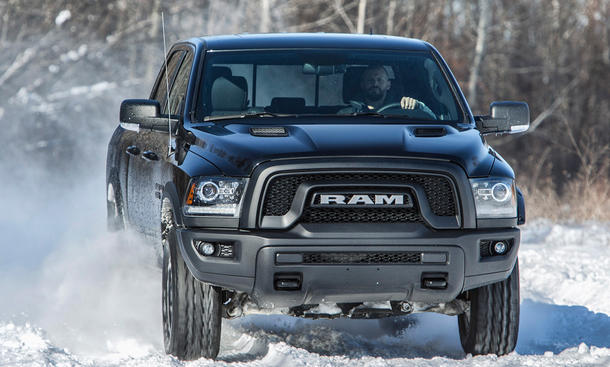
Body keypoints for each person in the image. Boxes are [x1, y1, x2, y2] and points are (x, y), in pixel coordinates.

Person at [349, 65, 435, 116]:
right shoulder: (348, 113)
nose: (375, 84)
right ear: (362, 85)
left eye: (380, 80)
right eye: (370, 80)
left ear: (388, 85)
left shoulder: (403, 111)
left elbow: (433, 119)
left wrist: (418, 106)